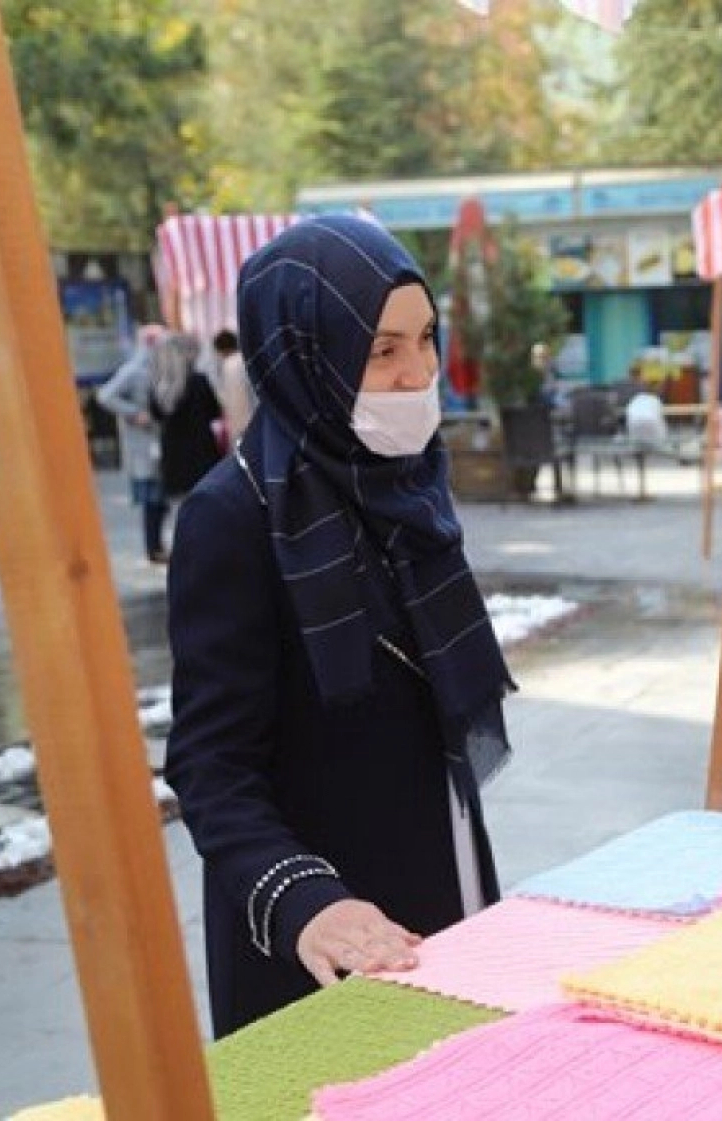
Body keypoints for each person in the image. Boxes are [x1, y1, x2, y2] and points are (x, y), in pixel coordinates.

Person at [165, 216, 513, 1037]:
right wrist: (304, 899)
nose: (417, 372)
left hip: (447, 877)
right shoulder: (235, 515)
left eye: (425, 338)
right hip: (327, 942)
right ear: (303, 349)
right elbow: (212, 764)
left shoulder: (406, 481)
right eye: (381, 348)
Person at [97, 325, 171, 563]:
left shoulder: (160, 368)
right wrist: (134, 413)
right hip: (144, 444)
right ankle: (153, 547)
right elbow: (105, 395)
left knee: (162, 497)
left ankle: (158, 545)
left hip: (158, 442)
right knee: (153, 498)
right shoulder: (133, 371)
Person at [152, 332, 222, 519]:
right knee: (208, 509)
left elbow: (156, 416)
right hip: (202, 452)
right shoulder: (198, 380)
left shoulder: (158, 387)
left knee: (180, 511)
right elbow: (215, 411)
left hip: (173, 456)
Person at [213, 328, 256, 443]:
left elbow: (226, 400)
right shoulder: (246, 360)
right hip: (254, 422)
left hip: (240, 426)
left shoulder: (228, 365)